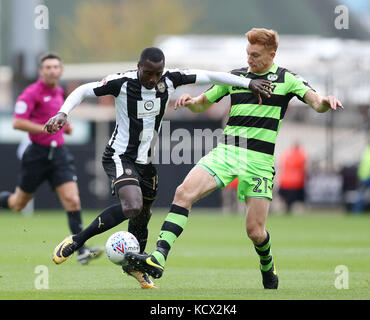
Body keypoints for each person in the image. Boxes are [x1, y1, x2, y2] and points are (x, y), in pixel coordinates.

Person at [124, 28, 343, 290]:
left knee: (255, 232)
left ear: (272, 54)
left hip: (260, 162)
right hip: (227, 151)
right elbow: (203, 103)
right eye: (248, 53)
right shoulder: (235, 77)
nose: (250, 59)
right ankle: (158, 258)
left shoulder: (288, 79)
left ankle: (267, 264)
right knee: (183, 193)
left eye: (256, 55)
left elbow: (316, 102)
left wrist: (326, 101)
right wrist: (189, 101)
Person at [44, 47, 273, 289]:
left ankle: (135, 266)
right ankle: (77, 241)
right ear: (139, 66)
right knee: (132, 205)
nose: (153, 80)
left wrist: (248, 83)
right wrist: (63, 113)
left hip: (146, 163)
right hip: (120, 156)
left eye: (158, 74)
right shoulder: (121, 83)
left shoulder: (170, 80)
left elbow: (210, 75)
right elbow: (83, 90)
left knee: (143, 216)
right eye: (148, 73)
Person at [0, 53, 103, 265]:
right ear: (41, 71)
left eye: (56, 67)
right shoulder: (31, 93)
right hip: (36, 154)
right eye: (48, 67)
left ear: (61, 70)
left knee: (72, 200)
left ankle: (81, 250)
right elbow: (18, 123)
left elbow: (58, 118)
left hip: (59, 155)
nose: (52, 70)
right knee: (18, 204)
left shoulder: (59, 91)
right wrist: (46, 128)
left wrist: (66, 126)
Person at [278, 142, 307, 214]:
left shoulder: (286, 154)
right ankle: (292, 209)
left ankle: (287, 208)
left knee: (286, 198)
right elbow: (303, 166)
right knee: (295, 198)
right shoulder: (301, 154)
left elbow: (282, 164)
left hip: (285, 181)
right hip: (296, 181)